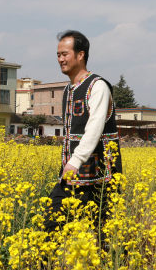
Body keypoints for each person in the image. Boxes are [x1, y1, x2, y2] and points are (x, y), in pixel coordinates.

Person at [46, 30, 122, 243]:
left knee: (103, 232)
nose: (60, 59)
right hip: (73, 173)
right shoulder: (68, 90)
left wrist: (75, 160)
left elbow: (95, 127)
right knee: (51, 222)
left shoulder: (97, 86)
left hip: (101, 175)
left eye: (65, 54)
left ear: (81, 55)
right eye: (58, 55)